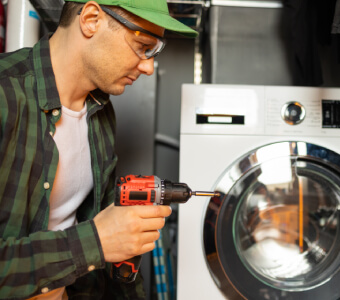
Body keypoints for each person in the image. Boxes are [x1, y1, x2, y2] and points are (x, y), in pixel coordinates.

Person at [0, 0, 197, 299]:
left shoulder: (101, 113)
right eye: (143, 45)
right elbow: (101, 240)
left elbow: (112, 253)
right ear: (91, 19)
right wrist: (97, 241)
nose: (148, 67)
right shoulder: (5, 96)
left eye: (155, 52)